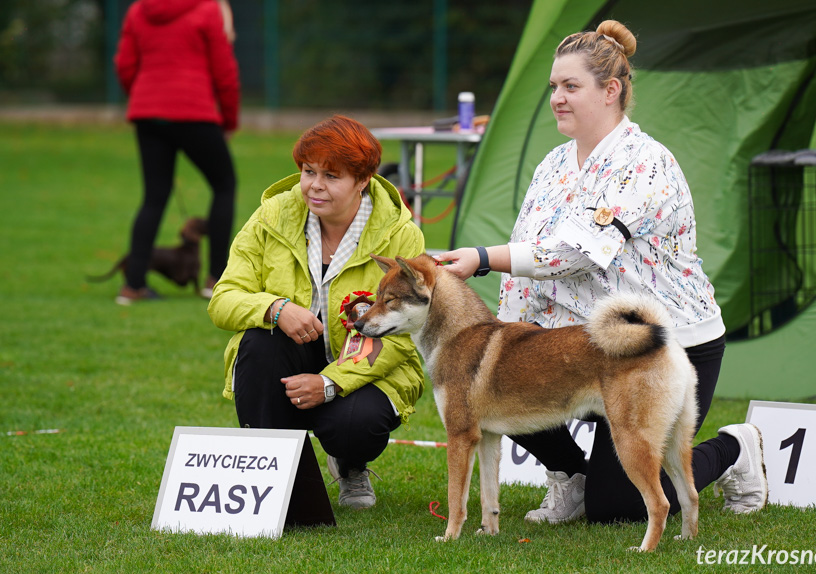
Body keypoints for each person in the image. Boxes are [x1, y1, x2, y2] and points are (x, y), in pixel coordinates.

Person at [436, 20, 768, 526]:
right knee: (493, 378)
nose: (557, 99)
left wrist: (481, 257)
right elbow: (528, 259)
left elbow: (577, 253)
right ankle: (571, 478)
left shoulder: (647, 163)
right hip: (578, 343)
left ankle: (734, 449)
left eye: (571, 86)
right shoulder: (552, 163)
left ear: (611, 90)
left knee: (621, 508)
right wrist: (502, 340)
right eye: (553, 87)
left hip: (656, 344)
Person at [207, 115, 426, 509]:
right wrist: (275, 307)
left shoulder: (401, 232)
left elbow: (407, 330)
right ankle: (273, 484)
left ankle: (350, 465)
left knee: (355, 425)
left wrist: (329, 383)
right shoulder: (271, 215)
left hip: (369, 365)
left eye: (331, 175)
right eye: (309, 171)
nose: (315, 186)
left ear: (363, 181)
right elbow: (223, 299)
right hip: (291, 355)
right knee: (258, 344)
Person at [114, 0, 240, 304]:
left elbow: (124, 64)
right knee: (224, 185)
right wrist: (229, 118)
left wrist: (146, 95)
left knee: (155, 195)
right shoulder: (208, 8)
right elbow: (223, 67)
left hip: (149, 113)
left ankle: (133, 285)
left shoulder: (138, 10)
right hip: (193, 109)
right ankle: (215, 279)